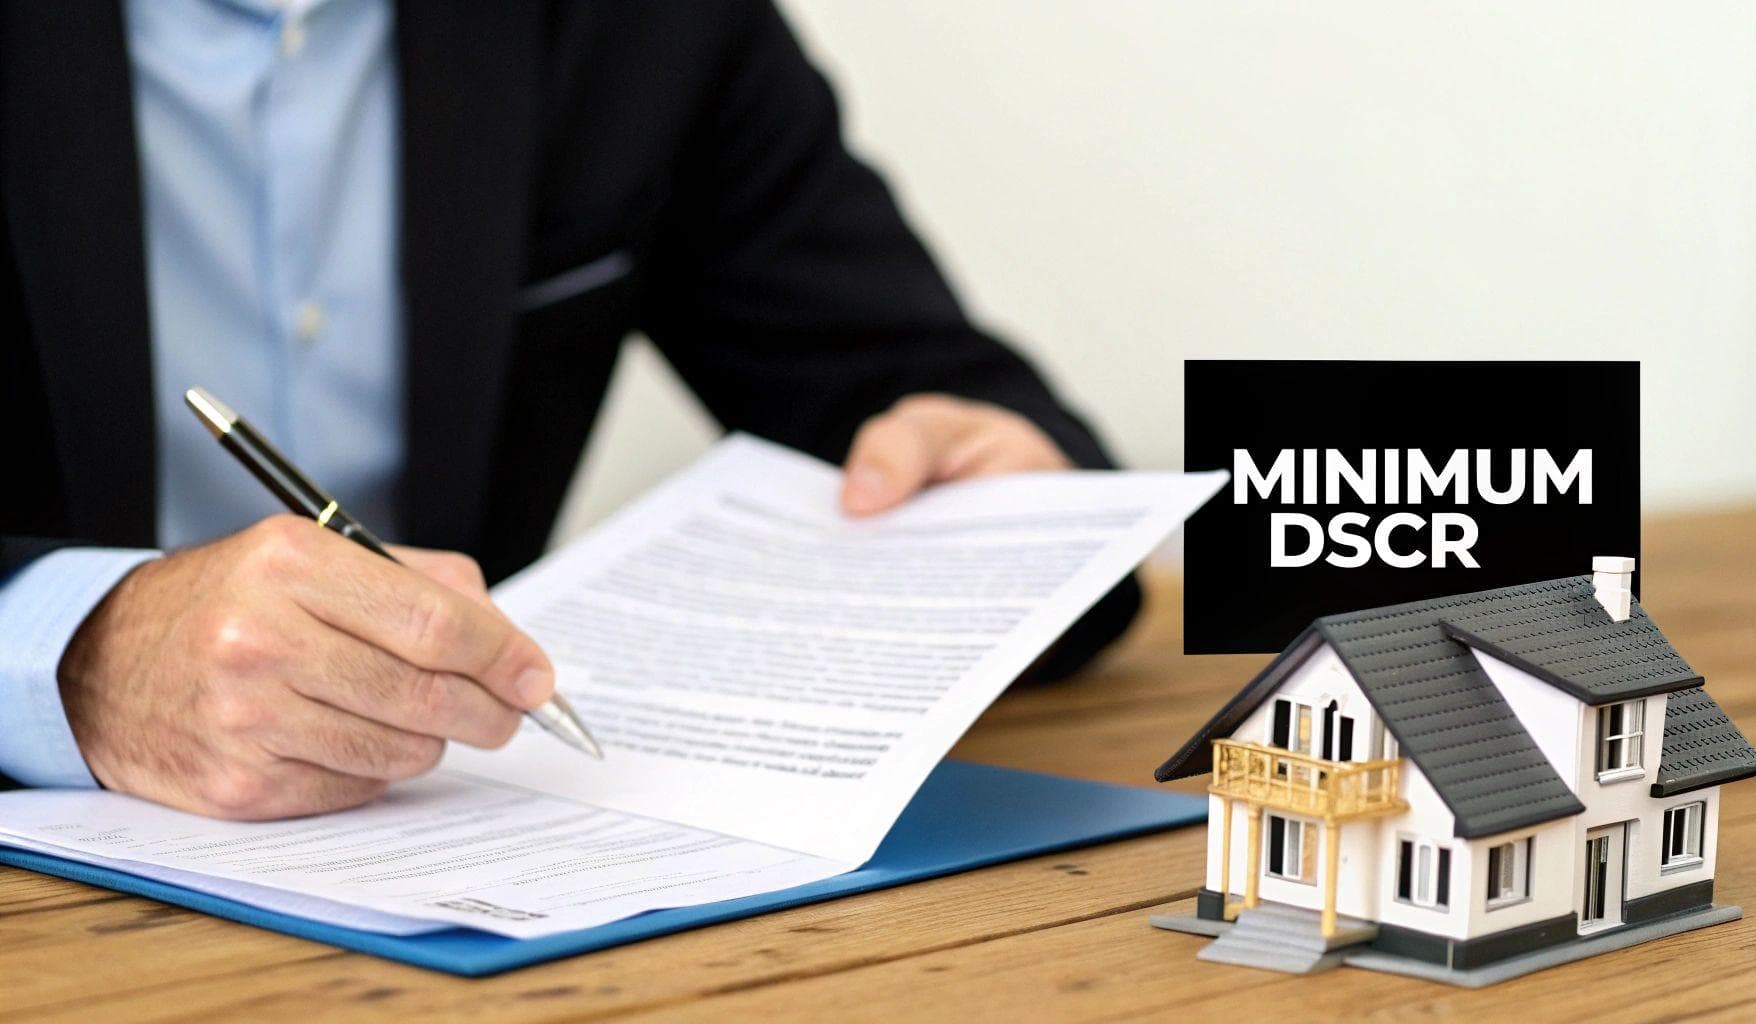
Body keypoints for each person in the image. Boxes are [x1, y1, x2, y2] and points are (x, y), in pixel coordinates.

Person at [0, 1, 1140, 820]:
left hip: (444, 850)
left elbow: (923, 391)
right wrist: (86, 658)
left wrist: (1007, 516)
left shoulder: (643, 29)